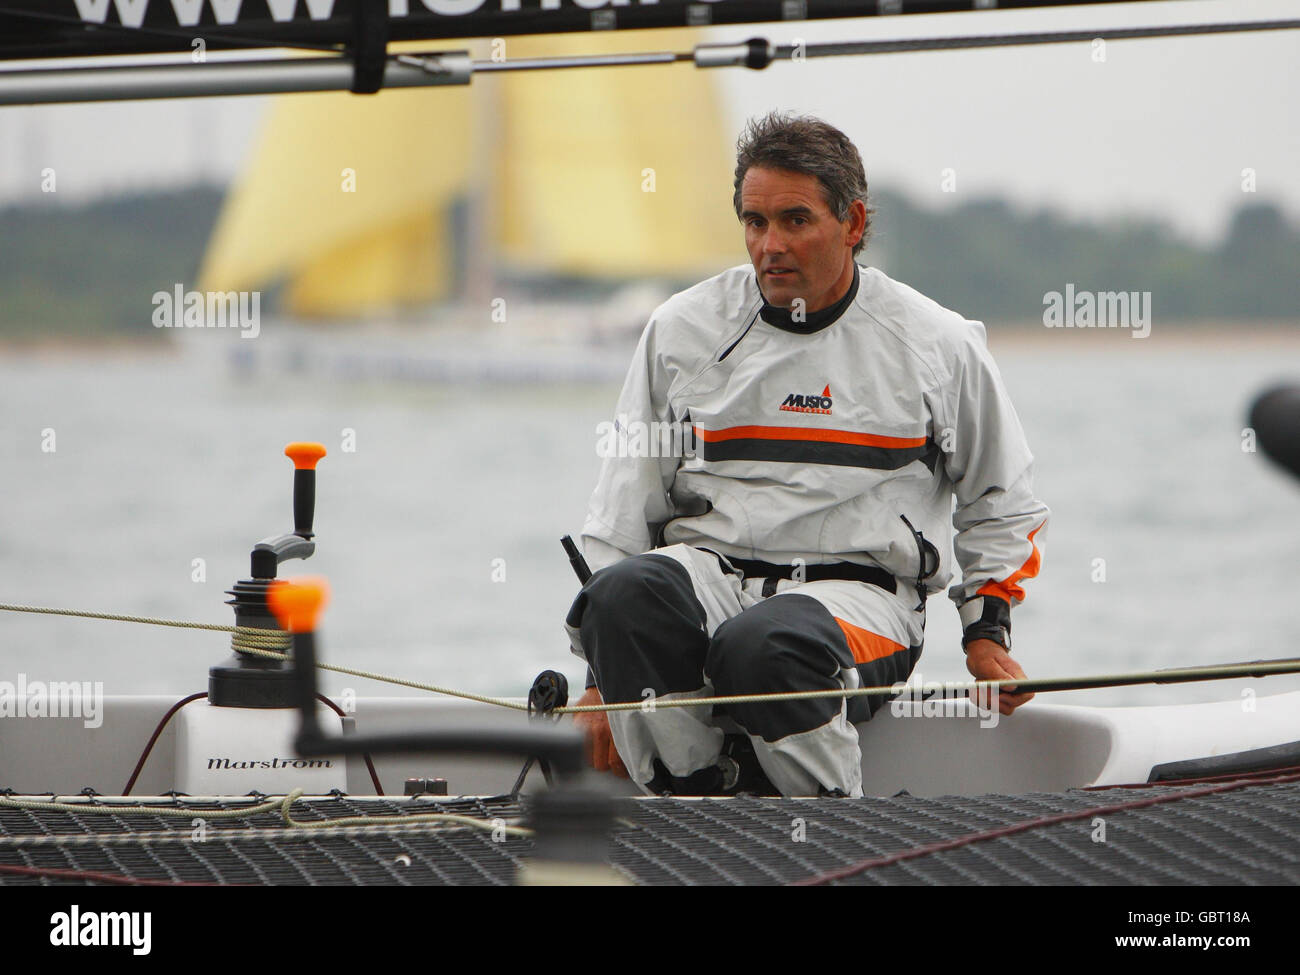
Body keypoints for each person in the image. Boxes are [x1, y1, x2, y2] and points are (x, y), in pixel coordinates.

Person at [564, 111, 1048, 797]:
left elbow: (1004, 500)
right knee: (616, 598)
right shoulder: (680, 331)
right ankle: (699, 798)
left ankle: (826, 832)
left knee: (764, 645)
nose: (770, 245)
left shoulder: (939, 344)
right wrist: (600, 682)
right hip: (712, 576)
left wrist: (986, 633)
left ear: (852, 223)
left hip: (863, 601)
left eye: (795, 220)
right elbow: (623, 509)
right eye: (755, 222)